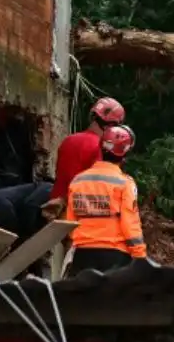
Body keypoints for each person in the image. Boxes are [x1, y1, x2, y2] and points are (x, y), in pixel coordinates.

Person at [64, 124, 145, 275]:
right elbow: (130, 224)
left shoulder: (77, 181)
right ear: (125, 153)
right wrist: (140, 257)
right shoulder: (124, 183)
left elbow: (70, 222)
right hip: (115, 256)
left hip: (82, 255)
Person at [47, 96, 125, 211]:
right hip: (78, 211)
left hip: (54, 206)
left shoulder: (68, 140)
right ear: (111, 126)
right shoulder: (101, 148)